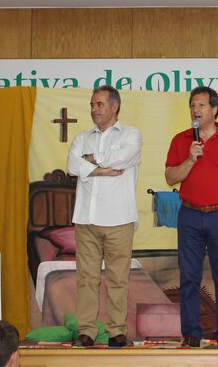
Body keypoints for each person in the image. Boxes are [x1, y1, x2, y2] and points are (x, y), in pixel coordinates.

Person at [165, 86, 218, 348]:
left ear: (214, 109)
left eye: (201, 105)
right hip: (190, 215)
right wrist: (190, 160)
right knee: (189, 276)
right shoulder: (181, 140)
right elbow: (170, 178)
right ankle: (191, 332)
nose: (195, 110)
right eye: (192, 105)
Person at [67, 85, 142, 348]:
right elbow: (72, 165)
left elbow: (121, 159)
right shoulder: (82, 137)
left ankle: (117, 332)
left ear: (114, 106)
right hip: (86, 219)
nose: (94, 109)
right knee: (86, 278)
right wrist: (100, 170)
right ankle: (86, 332)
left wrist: (90, 160)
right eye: (92, 105)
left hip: (119, 218)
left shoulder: (130, 134)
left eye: (99, 104)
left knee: (118, 278)